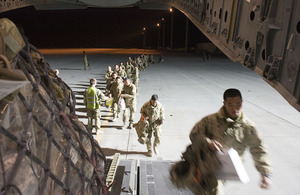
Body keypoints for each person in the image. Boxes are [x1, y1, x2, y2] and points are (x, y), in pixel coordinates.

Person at [172, 88, 272, 194]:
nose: (235, 108)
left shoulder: (248, 127)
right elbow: (194, 135)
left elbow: (259, 149)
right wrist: (208, 143)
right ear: (224, 104)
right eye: (230, 104)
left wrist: (265, 174)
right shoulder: (210, 121)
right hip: (204, 165)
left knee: (215, 189)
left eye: (238, 104)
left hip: (224, 170)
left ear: (242, 103)